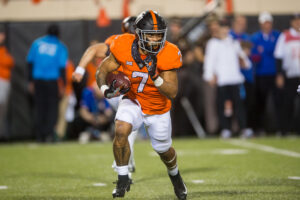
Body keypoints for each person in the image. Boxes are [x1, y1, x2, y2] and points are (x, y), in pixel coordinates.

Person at [96, 10, 187, 199]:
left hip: (157, 108)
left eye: (158, 34)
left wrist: (156, 77)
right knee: (121, 129)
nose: (155, 39)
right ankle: (122, 179)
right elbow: (102, 70)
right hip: (133, 100)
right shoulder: (122, 44)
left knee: (164, 151)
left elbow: (172, 92)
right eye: (151, 35)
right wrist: (105, 90)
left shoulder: (169, 52)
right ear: (138, 34)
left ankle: (175, 176)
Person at [72, 17, 138, 173]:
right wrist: (80, 69)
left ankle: (128, 161)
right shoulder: (119, 41)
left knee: (130, 126)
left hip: (133, 90)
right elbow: (95, 49)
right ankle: (124, 163)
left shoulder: (147, 43)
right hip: (121, 89)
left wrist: (80, 69)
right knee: (129, 125)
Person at [203, 19, 251, 138]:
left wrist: (244, 61)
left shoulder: (234, 42)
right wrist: (209, 75)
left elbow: (244, 60)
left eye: (226, 27)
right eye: (222, 27)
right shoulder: (213, 43)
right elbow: (209, 61)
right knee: (223, 106)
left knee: (239, 105)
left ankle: (243, 128)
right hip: (222, 80)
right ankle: (226, 129)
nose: (224, 30)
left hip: (235, 79)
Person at [27, 24, 68, 142]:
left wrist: (30, 82)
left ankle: (39, 136)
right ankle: (49, 135)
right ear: (58, 34)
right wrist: (63, 86)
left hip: (38, 80)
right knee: (52, 109)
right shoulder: (60, 46)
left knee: (39, 108)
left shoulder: (37, 43)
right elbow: (62, 69)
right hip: (52, 82)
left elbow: (29, 63)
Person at [250, 12, 280, 134]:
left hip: (275, 74)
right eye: (264, 23)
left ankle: (281, 128)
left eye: (268, 22)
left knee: (278, 102)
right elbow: (254, 56)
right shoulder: (256, 37)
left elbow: (278, 54)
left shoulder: (278, 36)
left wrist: (264, 51)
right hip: (260, 74)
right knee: (260, 103)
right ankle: (260, 128)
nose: (266, 25)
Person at [274, 13, 300, 135]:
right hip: (290, 75)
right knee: (288, 103)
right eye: (295, 20)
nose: (298, 23)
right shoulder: (285, 36)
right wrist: (279, 74)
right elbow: (279, 56)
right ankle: (285, 129)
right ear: (291, 22)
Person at [230, 15, 255, 137]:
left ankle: (246, 127)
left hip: (246, 76)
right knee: (233, 104)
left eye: (244, 23)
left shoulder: (247, 37)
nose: (242, 25)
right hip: (233, 77)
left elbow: (251, 55)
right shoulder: (229, 37)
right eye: (240, 22)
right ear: (234, 23)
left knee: (246, 103)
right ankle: (234, 128)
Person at [0, 25, 14, 139]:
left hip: (4, 81)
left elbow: (10, 62)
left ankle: (2, 134)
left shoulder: (4, 50)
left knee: (3, 107)